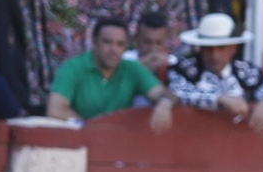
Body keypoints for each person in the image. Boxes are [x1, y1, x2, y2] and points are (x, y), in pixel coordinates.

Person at [167, 12, 263, 134]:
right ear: (200, 48)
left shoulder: (246, 72)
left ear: (233, 48)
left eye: (221, 48)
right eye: (208, 49)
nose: (214, 55)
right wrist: (221, 99)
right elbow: (177, 93)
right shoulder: (184, 69)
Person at [47, 18, 177, 129]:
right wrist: (91, 129)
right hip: (78, 143)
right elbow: (55, 109)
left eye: (120, 44)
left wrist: (164, 103)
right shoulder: (73, 67)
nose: (113, 50)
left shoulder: (132, 69)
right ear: (94, 42)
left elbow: (162, 93)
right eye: (107, 42)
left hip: (117, 144)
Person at [123, 9, 177, 84]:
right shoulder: (123, 60)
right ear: (136, 38)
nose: (153, 48)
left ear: (166, 40)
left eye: (159, 43)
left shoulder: (174, 64)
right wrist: (140, 67)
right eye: (147, 42)